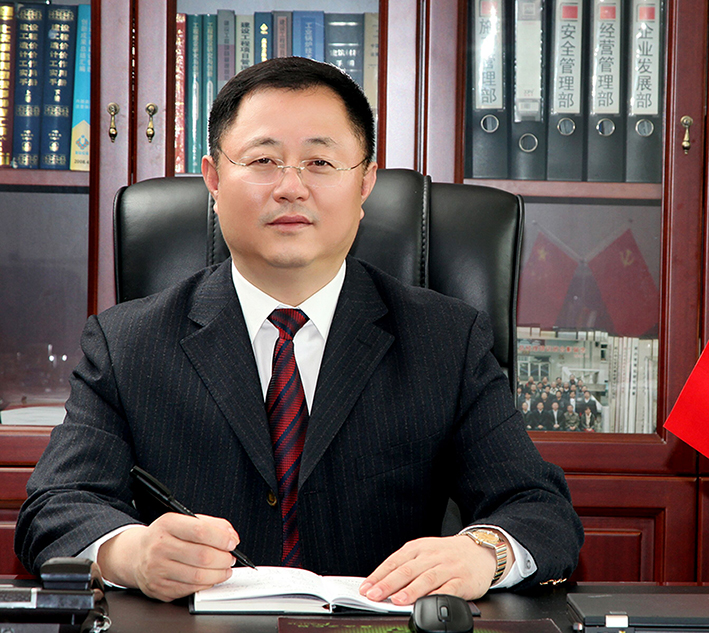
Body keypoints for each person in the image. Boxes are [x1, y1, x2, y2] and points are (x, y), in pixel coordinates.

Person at [16, 58, 582, 605]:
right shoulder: (128, 343)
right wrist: (131, 553)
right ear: (213, 179)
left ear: (366, 183)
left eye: (320, 162)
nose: (291, 187)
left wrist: (482, 554)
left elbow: (540, 509)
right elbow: (54, 508)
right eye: (263, 160)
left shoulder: (445, 340)